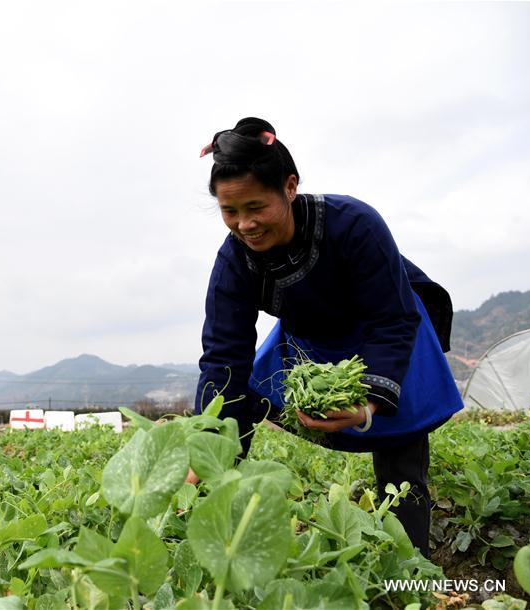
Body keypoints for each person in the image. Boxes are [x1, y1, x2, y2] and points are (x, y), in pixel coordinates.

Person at [194, 118, 463, 558]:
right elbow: (224, 357)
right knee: (234, 401)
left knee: (401, 458)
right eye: (230, 211)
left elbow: (393, 320)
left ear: (290, 186)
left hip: (388, 325)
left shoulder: (354, 225)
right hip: (311, 337)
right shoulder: (233, 263)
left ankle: (411, 571)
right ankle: (225, 531)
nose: (245, 224)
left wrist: (369, 401)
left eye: (256, 206)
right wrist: (205, 449)